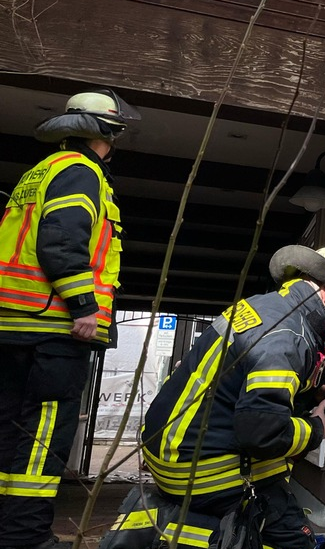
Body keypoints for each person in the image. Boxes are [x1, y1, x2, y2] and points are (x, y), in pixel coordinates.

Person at [105, 245, 325, 549]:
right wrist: (318, 427)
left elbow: (236, 384)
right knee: (292, 535)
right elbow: (262, 433)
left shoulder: (261, 308)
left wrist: (309, 391)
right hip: (199, 470)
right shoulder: (289, 335)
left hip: (169, 453)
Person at [0, 89, 140, 549]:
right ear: (107, 134)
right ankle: (25, 537)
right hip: (52, 328)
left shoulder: (39, 172)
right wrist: (84, 306)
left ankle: (10, 529)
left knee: (10, 431)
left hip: (16, 324)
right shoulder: (82, 174)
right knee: (42, 437)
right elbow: (61, 241)